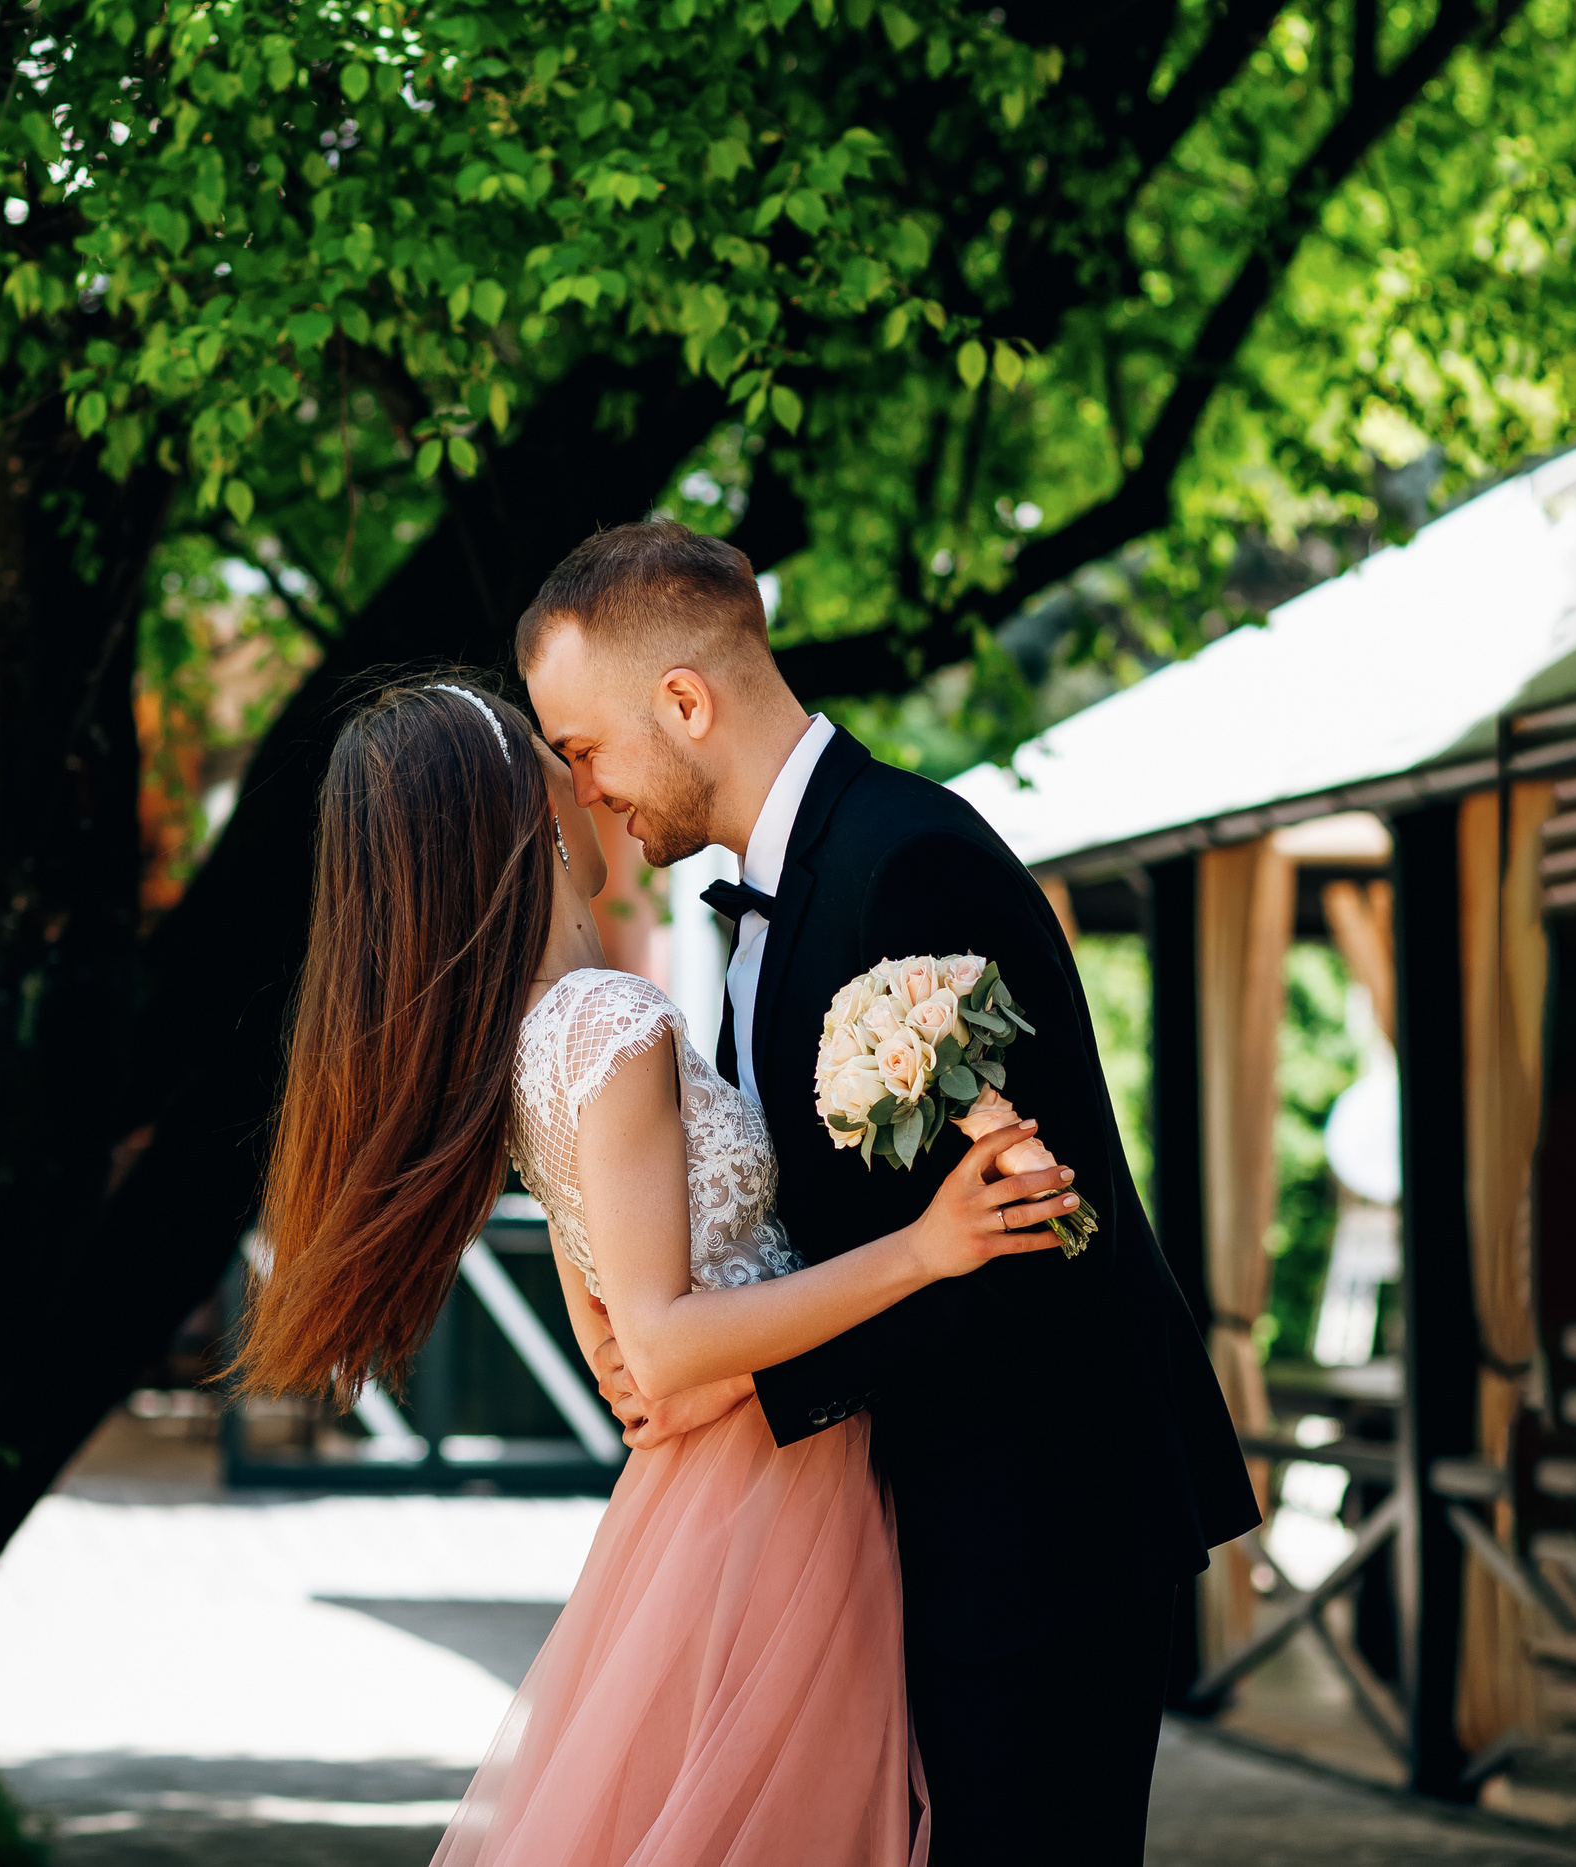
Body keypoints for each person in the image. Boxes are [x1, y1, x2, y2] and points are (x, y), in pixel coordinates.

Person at [237, 675, 1089, 1866]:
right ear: (524, 810)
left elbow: (611, 1309)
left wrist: (621, 1349)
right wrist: (925, 1245)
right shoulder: (608, 1021)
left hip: (714, 1477)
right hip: (774, 1480)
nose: (588, 781)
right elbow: (667, 1338)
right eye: (562, 758)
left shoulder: (519, 1041)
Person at [520, 520, 1260, 1863]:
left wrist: (733, 1368)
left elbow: (1019, 1227)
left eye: (585, 748)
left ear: (684, 700)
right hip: (917, 1520)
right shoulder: (771, 900)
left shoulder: (909, 859)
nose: (586, 790)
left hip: (1033, 1521)